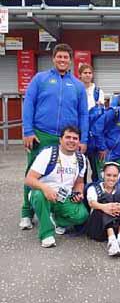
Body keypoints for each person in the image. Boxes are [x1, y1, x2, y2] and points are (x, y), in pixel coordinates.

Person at [20, 44, 89, 231]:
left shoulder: (77, 85)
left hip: (67, 139)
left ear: (70, 60)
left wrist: (83, 140)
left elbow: (83, 114)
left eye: (66, 57)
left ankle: (55, 210)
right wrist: (28, 131)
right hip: (41, 134)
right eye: (59, 57)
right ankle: (27, 213)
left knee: (64, 175)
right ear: (53, 58)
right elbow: (29, 104)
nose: (62, 60)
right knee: (33, 172)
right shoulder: (40, 79)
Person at [24, 126, 89, 248]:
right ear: (60, 139)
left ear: (79, 141)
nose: (71, 141)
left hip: (64, 197)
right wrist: (45, 188)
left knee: (82, 216)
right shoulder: (47, 154)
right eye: (68, 137)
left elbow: (79, 182)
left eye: (75, 138)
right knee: (38, 195)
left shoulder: (81, 159)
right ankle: (46, 234)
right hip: (45, 195)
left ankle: (58, 220)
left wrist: (78, 192)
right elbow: (29, 179)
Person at [86, 162, 120, 256]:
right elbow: (92, 203)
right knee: (105, 200)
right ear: (103, 175)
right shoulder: (93, 188)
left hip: (117, 225)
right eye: (108, 175)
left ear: (119, 176)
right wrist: (105, 207)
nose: (111, 178)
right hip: (98, 228)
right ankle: (112, 240)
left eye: (115, 176)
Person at [78, 63, 105, 183]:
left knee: (96, 168)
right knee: (81, 167)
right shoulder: (76, 90)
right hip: (79, 133)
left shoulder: (98, 91)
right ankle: (81, 191)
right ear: (80, 75)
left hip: (94, 136)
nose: (88, 75)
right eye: (85, 73)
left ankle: (96, 191)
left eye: (89, 73)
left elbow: (101, 114)